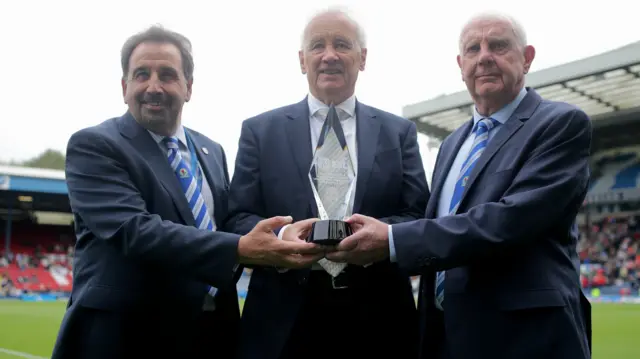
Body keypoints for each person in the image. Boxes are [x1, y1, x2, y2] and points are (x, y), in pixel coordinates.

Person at [327, 12, 593, 359]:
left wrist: (391, 240)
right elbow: (435, 222)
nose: (484, 56)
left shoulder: (560, 124)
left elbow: (509, 222)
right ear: (461, 64)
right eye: (473, 49)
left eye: (498, 46)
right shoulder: (453, 143)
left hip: (525, 338)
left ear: (526, 58)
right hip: (446, 334)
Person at [51, 25, 323, 359]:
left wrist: (281, 233)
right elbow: (135, 231)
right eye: (141, 75)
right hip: (127, 336)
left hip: (211, 333)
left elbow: (226, 223)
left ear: (188, 87)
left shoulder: (211, 150)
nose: (153, 86)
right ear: (124, 87)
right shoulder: (95, 145)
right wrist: (242, 247)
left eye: (167, 75)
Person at [226, 8, 429, 359]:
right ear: (302, 60)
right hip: (283, 319)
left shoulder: (399, 133)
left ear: (362, 58)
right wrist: (280, 240)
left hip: (379, 319)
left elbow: (418, 214)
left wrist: (381, 238)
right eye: (317, 45)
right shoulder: (259, 132)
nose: (329, 55)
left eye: (342, 45)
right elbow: (237, 217)